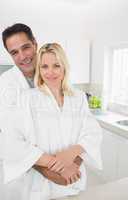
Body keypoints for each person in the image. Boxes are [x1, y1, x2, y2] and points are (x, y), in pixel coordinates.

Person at [2, 43, 102, 200]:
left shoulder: (78, 97)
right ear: (39, 70)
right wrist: (51, 164)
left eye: (56, 65)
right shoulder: (26, 99)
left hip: (73, 180)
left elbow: (92, 132)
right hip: (39, 187)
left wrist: (73, 157)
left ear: (64, 67)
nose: (50, 72)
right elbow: (11, 141)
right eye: (44, 66)